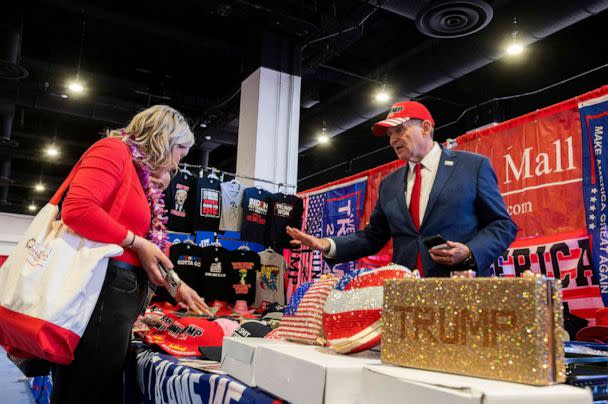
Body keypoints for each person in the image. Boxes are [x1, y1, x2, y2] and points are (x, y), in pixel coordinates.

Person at [51, 105, 211, 404]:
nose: (178, 163)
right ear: (164, 139)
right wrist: (136, 242)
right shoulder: (113, 150)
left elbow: (148, 246)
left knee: (99, 387)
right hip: (102, 294)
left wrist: (177, 285)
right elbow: (78, 210)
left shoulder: (141, 176)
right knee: (87, 390)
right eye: (180, 151)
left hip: (116, 299)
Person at [287, 101, 518, 277]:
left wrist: (469, 251)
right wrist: (326, 244)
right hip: (406, 296)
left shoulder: (472, 166)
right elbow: (372, 238)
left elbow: (503, 225)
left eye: (399, 130)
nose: (392, 140)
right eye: (389, 135)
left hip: (461, 291)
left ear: (426, 128)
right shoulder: (389, 184)